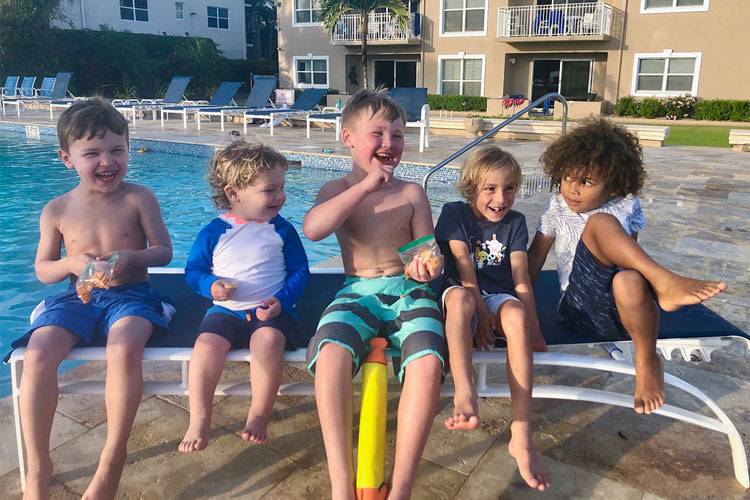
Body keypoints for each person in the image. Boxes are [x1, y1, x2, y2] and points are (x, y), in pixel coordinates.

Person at [9, 98, 173, 500]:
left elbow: (164, 251)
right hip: (78, 296)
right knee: (39, 351)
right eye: (93, 153)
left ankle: (111, 459)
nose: (107, 161)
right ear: (67, 158)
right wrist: (72, 263)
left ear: (129, 150)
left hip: (131, 295)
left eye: (117, 150)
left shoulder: (139, 197)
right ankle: (38, 465)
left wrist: (130, 258)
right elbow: (43, 269)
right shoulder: (57, 209)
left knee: (124, 346)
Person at [528, 117, 727, 416]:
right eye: (567, 178)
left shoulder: (625, 205)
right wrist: (513, 297)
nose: (573, 189)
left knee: (629, 279)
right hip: (579, 308)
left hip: (626, 313)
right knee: (601, 225)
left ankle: (646, 361)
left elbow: (626, 260)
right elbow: (535, 257)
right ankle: (664, 282)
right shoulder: (558, 205)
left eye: (586, 182)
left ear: (614, 185)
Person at [303, 88, 446, 500]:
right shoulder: (337, 190)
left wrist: (427, 266)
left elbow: (427, 253)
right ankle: (340, 484)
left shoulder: (412, 193)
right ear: (349, 139)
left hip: (408, 291)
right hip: (358, 290)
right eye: (377, 134)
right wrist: (364, 187)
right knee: (330, 354)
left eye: (397, 135)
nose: (389, 144)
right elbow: (314, 229)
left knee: (426, 364)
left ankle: (400, 488)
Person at [179, 141, 309, 452]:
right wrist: (210, 285)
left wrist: (282, 300)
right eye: (270, 190)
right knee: (206, 346)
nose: (280, 196)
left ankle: (259, 414)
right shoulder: (214, 232)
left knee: (267, 343)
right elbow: (193, 270)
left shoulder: (282, 230)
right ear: (233, 193)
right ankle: (199, 417)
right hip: (227, 311)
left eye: (281, 187)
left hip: (272, 312)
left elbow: (300, 271)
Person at [435, 146, 550, 492]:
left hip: (495, 296)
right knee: (459, 301)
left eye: (510, 188)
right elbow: (463, 263)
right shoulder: (454, 213)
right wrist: (480, 310)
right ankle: (465, 392)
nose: (501, 198)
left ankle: (521, 434)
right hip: (460, 290)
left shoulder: (515, 223)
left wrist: (535, 329)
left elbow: (520, 278)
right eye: (490, 188)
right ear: (471, 189)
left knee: (515, 314)